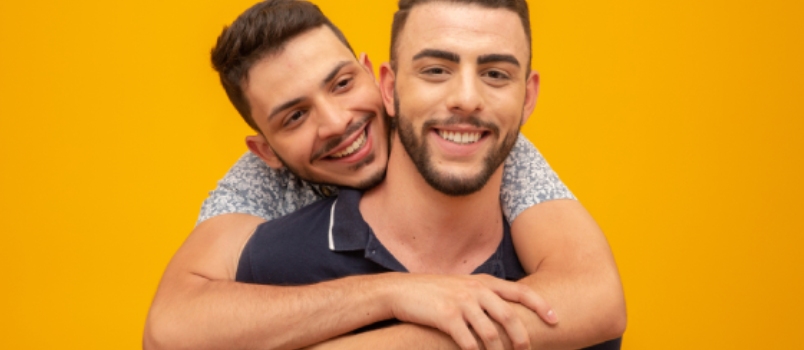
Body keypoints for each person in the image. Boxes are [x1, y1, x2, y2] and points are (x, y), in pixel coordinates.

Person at [143, 1, 625, 349]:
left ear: (379, 81)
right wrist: (396, 292)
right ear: (266, 150)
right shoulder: (260, 192)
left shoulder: (477, 140)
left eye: (341, 84)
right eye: (295, 116)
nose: (337, 122)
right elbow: (170, 326)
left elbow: (595, 295)